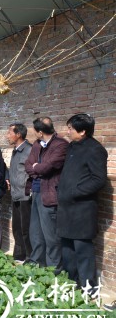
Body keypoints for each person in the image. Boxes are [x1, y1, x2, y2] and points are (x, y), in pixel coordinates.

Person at [57, 114, 107, 289]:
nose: (68, 131)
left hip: (82, 209)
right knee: (67, 248)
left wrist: (74, 192)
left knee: (82, 248)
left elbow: (98, 179)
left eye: (71, 128)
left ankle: (88, 286)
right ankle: (72, 281)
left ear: (83, 131)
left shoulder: (95, 149)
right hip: (66, 207)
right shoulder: (72, 147)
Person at [25, 117, 68, 269]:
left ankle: (54, 268)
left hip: (50, 194)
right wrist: (38, 167)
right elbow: (28, 166)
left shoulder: (61, 145)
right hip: (35, 191)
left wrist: (37, 167)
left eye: (35, 131)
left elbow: (48, 167)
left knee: (51, 235)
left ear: (40, 132)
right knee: (35, 231)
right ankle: (37, 262)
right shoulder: (37, 144)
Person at [6, 123, 33, 264]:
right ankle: (19, 255)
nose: (7, 135)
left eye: (10, 132)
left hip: (25, 195)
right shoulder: (15, 150)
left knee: (26, 228)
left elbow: (33, 173)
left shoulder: (29, 150)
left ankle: (30, 257)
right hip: (15, 194)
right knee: (16, 227)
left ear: (18, 134)